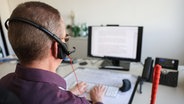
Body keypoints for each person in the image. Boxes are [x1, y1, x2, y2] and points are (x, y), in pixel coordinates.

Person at [0, 1, 105, 104]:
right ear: (57, 47)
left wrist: (68, 93)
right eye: (65, 39)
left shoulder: (3, 83)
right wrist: (98, 100)